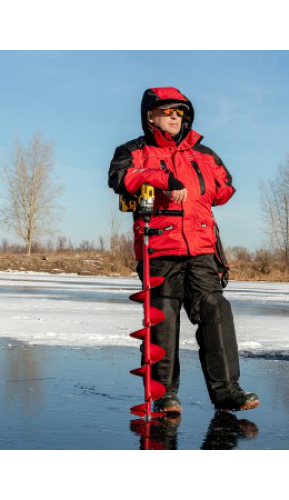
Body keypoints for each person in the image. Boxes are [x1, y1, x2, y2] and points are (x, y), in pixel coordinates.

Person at [108, 87, 259, 413]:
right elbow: (119, 178)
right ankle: (165, 396)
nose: (174, 117)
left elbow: (225, 188)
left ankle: (228, 392)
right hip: (159, 250)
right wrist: (162, 179)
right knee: (163, 321)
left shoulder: (204, 153)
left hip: (202, 250)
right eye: (166, 111)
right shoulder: (133, 150)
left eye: (179, 111)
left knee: (216, 310)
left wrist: (208, 186)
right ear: (150, 115)